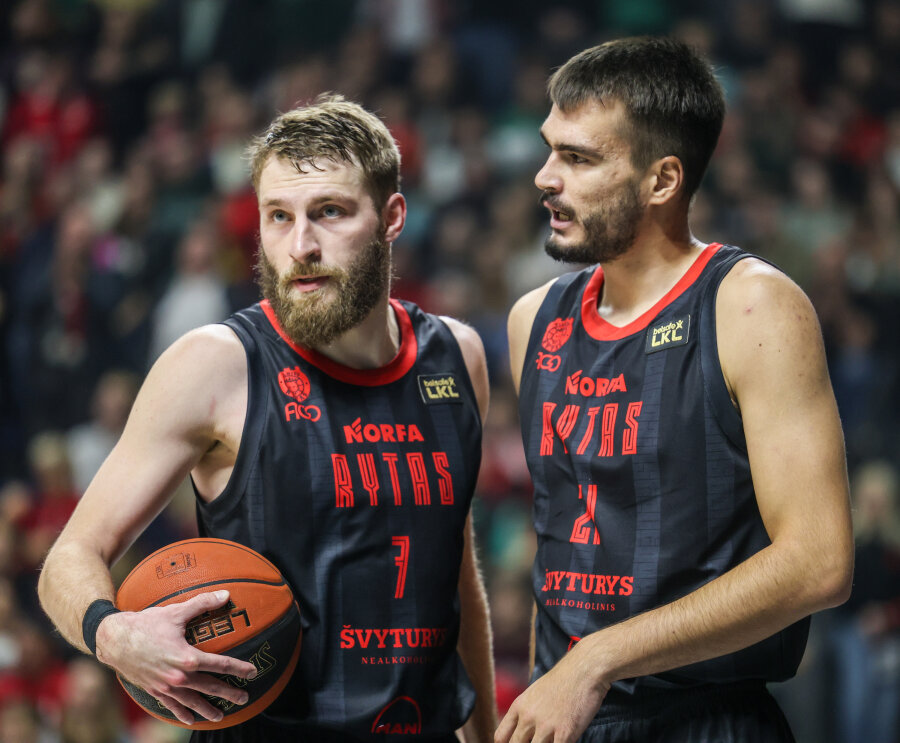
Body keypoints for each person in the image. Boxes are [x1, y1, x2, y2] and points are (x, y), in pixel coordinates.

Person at [38, 95, 497, 743]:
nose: (300, 245)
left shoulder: (458, 356)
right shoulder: (215, 365)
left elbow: (456, 575)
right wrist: (114, 634)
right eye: (278, 216)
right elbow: (70, 557)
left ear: (393, 217)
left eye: (330, 212)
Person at [497, 37, 854, 743]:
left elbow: (819, 561)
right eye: (549, 150)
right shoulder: (533, 320)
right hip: (567, 713)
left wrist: (597, 658)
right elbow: (560, 547)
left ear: (662, 180)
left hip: (707, 720)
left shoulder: (751, 306)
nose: (544, 177)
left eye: (578, 158)